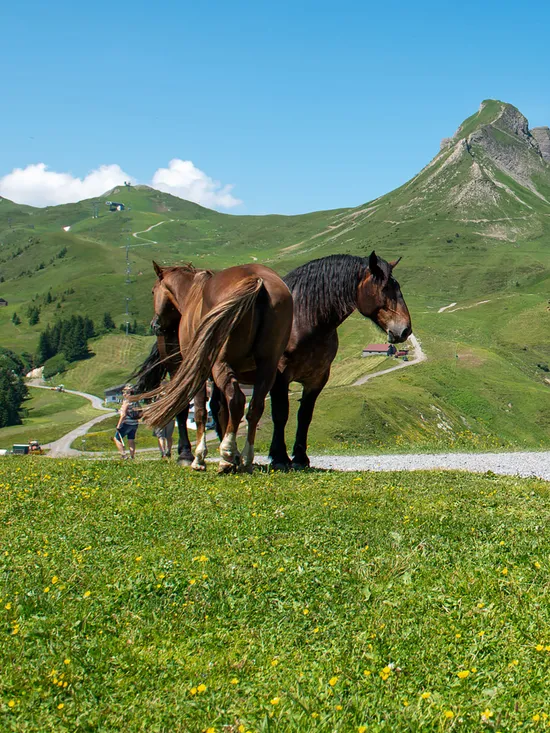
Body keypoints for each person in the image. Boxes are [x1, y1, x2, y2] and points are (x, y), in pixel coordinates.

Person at [113, 385, 141, 459]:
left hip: (126, 423)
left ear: (128, 393)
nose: (123, 394)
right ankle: (132, 456)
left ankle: (124, 455)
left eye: (125, 392)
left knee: (117, 438)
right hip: (134, 423)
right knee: (131, 440)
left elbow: (124, 415)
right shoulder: (136, 401)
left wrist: (118, 425)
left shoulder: (126, 402)